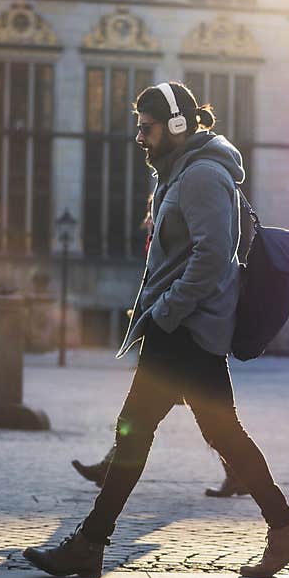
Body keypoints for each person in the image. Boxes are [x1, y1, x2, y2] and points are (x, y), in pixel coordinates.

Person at [24, 81, 289, 578]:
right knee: (218, 433)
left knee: (136, 429)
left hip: (185, 330)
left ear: (177, 125)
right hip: (186, 328)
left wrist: (166, 312)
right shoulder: (182, 172)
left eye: (147, 126)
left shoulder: (200, 175)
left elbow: (213, 255)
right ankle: (285, 531)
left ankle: (90, 544)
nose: (139, 136)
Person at [71, 193, 248, 498]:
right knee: (195, 419)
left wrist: (165, 312)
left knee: (160, 417)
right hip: (173, 334)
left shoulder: (185, 218)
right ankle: (242, 479)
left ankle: (260, 496)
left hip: (181, 337)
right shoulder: (161, 234)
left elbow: (197, 268)